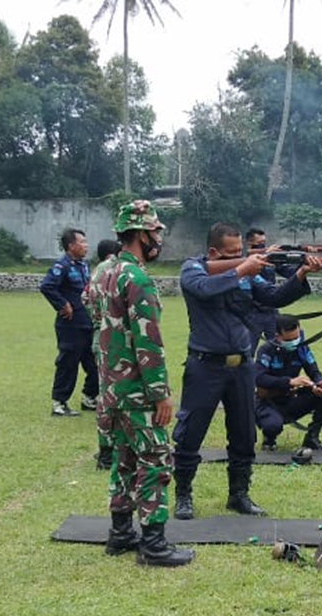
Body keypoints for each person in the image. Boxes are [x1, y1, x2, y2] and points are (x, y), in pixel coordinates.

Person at [171, 223, 322, 520]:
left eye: (240, 252)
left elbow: (273, 298)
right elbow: (203, 289)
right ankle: (183, 496)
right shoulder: (193, 269)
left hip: (242, 365)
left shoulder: (244, 274)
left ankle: (239, 494)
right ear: (213, 252)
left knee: (243, 432)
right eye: (231, 253)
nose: (239, 257)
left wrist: (301, 274)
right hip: (205, 365)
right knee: (191, 431)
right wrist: (242, 269)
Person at [95, 200, 193, 567]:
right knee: (153, 461)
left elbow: (99, 327)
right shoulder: (135, 278)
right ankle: (153, 545)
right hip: (137, 391)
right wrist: (161, 393)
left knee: (122, 460)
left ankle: (120, 533)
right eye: (155, 232)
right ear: (139, 233)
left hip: (111, 389)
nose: (158, 240)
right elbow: (147, 340)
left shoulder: (103, 271)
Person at [254, 314, 322, 452]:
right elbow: (259, 378)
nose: (294, 342)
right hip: (268, 402)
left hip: (292, 399)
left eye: (297, 337)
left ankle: (312, 437)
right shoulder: (266, 350)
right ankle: (269, 438)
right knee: (272, 426)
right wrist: (289, 381)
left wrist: (318, 385)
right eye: (289, 339)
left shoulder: (301, 347)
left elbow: (314, 372)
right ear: (277, 336)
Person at [40, 228, 98, 417]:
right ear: (71, 246)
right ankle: (59, 403)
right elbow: (47, 286)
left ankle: (89, 397)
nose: (86, 246)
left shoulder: (83, 265)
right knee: (68, 363)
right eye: (82, 242)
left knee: (94, 362)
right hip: (70, 325)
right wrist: (62, 304)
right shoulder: (62, 265)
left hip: (86, 322)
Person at [83, 238, 123, 469]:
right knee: (112, 400)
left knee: (105, 396)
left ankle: (107, 452)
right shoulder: (117, 269)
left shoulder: (97, 271)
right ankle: (109, 454)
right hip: (116, 339)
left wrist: (97, 321)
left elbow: (84, 298)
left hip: (101, 336)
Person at [244, 228, 300, 355]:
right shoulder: (243, 261)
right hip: (253, 312)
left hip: (271, 310)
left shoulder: (271, 259)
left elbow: (290, 273)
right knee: (247, 352)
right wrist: (264, 255)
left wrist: (304, 265)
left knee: (279, 349)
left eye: (264, 243)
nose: (264, 246)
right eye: (259, 244)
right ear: (249, 243)